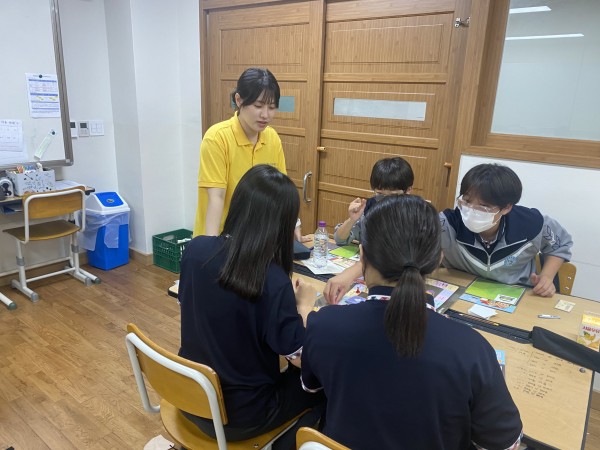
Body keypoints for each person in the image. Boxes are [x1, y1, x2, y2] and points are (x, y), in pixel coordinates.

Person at [301, 195, 523, 450]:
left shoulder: (324, 324)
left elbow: (311, 387)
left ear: (362, 255)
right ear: (438, 259)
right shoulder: (471, 348)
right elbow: (505, 443)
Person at [180, 165, 324, 449]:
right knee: (324, 385)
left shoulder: (196, 250)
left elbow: (194, 304)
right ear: (281, 225)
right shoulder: (272, 280)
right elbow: (301, 358)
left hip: (190, 395)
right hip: (241, 416)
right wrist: (305, 307)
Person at [440, 163, 573, 297]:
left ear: (506, 208)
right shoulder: (446, 224)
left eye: (484, 206)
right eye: (467, 201)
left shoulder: (531, 224)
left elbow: (560, 245)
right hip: (460, 292)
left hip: (516, 294)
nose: (472, 210)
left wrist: (546, 277)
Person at [193, 67, 286, 237]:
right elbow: (216, 197)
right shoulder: (217, 138)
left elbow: (280, 191)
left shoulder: (272, 138)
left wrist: (293, 227)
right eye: (258, 106)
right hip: (222, 237)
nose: (265, 115)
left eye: (272, 107)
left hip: (255, 239)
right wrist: (211, 246)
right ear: (238, 100)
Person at [324, 157, 414, 303]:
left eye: (393, 195)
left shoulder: (415, 214)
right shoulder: (370, 207)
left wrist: (351, 273)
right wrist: (352, 219)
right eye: (380, 194)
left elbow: (390, 256)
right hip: (368, 277)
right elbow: (340, 239)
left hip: (398, 285)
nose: (386, 201)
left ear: (408, 190)